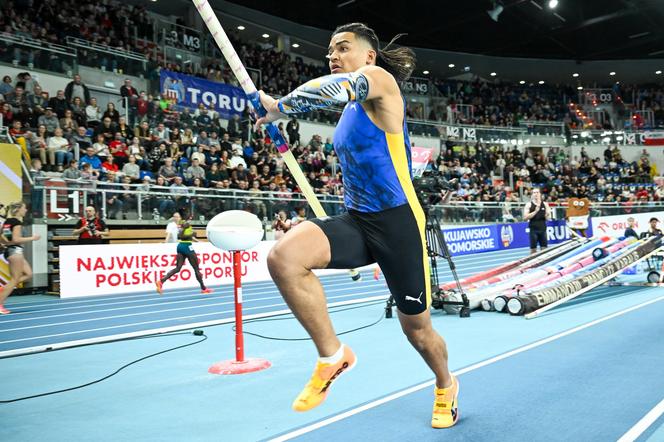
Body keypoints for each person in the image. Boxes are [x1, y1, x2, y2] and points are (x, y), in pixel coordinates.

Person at [254, 23, 458, 427]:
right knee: (284, 258)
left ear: (368, 56)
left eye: (342, 48)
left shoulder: (378, 81)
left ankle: (445, 384)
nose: (332, 55)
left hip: (398, 222)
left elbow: (328, 90)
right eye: (329, 50)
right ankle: (332, 356)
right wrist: (281, 125)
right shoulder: (349, 109)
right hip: (358, 219)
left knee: (416, 331)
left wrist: (279, 106)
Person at [0, 202, 40, 314]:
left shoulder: (8, 222)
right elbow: (16, 239)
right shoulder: (16, 222)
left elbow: (6, 239)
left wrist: (6, 244)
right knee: (14, 279)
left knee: (28, 274)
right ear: (18, 210)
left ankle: (3, 288)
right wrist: (33, 238)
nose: (26, 210)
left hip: (12, 250)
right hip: (15, 251)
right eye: (24, 208)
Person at [155, 219, 212, 295]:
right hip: (187, 246)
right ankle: (203, 288)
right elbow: (185, 235)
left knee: (178, 268)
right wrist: (192, 233)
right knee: (196, 269)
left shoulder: (184, 229)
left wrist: (195, 237)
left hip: (180, 246)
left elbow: (188, 236)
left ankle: (161, 281)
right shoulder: (185, 228)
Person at [523, 188, 551, 254]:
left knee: (544, 249)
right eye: (534, 193)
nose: (536, 194)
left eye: (537, 192)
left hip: (543, 229)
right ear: (532, 194)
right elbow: (525, 218)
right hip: (533, 230)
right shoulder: (529, 204)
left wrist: (547, 215)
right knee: (533, 250)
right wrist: (535, 211)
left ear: (540, 194)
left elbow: (548, 218)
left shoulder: (545, 204)